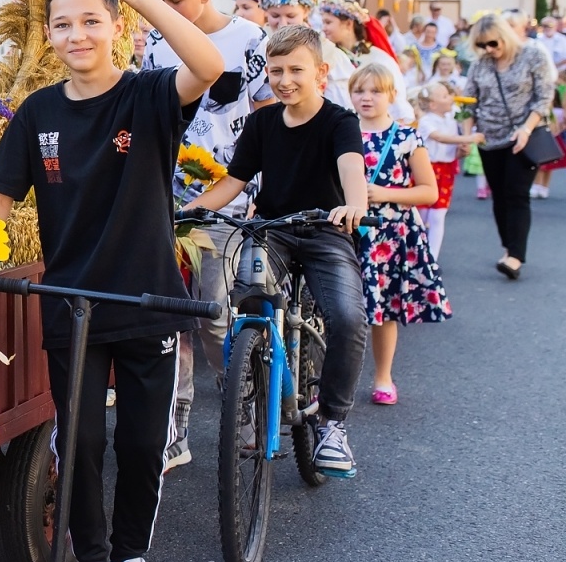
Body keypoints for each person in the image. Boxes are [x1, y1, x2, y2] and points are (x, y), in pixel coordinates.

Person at [0, 0, 222, 562]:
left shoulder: (147, 96)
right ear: (48, 36)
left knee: (144, 445)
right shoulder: (38, 115)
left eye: (91, 19)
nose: (77, 33)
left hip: (148, 300)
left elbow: (206, 63)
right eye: (62, 23)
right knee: (79, 444)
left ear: (117, 27)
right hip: (73, 308)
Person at [184, 24, 370, 479]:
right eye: (275, 70)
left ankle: (332, 424)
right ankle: (254, 385)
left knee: (348, 318)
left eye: (296, 70)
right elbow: (234, 181)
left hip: (326, 231)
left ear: (321, 73)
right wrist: (187, 211)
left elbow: (351, 165)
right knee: (245, 302)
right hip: (271, 229)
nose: (284, 80)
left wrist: (355, 204)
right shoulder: (264, 122)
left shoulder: (338, 121)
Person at [140, 0, 274, 473]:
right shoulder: (157, 37)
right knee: (168, 315)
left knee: (214, 318)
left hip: (227, 197)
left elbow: (268, 111)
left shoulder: (250, 41)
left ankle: (242, 403)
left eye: (174, 0)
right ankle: (176, 427)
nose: (165, 8)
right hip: (166, 196)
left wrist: (263, 182)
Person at [350, 63, 449, 406]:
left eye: (375, 91)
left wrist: (385, 193)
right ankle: (333, 379)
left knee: (385, 310)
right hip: (348, 231)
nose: (366, 97)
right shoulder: (342, 132)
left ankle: (383, 376)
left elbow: (428, 192)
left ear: (392, 95)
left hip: (391, 234)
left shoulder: (407, 137)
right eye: (359, 90)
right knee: (338, 309)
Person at [466, 13, 553, 278]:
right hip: (490, 139)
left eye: (492, 43)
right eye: (481, 45)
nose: (488, 50)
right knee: (499, 196)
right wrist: (467, 136)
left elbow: (544, 96)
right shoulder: (480, 64)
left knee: (516, 193)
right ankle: (508, 247)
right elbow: (468, 102)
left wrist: (526, 129)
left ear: (504, 35)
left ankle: (515, 256)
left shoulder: (532, 55)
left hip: (523, 135)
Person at [415, 80, 484, 257]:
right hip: (428, 169)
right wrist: (467, 139)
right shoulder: (426, 121)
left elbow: (451, 147)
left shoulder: (451, 118)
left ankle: (432, 258)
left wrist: (462, 150)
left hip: (446, 169)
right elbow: (440, 138)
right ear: (432, 104)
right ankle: (416, 253)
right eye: (445, 96)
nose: (451, 98)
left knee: (438, 215)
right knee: (421, 215)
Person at [319, 0, 413, 121]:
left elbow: (396, 99)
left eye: (328, 22)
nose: (323, 28)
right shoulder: (329, 56)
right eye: (323, 23)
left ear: (348, 24)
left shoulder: (378, 57)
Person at [264, 0, 356, 108]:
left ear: (306, 12)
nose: (283, 23)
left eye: (291, 15)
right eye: (275, 15)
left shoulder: (326, 50)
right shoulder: (259, 42)